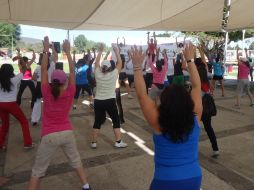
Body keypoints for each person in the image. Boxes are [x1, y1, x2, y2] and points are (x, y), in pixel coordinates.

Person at [131, 43, 202, 190]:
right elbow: (196, 86)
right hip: (194, 177)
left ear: (164, 102)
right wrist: (189, 60)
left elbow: (141, 94)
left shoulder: (157, 121)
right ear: (187, 101)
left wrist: (137, 67)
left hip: (165, 180)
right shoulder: (195, 117)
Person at [28, 37, 90, 190]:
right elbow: (73, 73)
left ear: (52, 81)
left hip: (49, 135)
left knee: (37, 171)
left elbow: (43, 70)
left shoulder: (46, 90)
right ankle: (86, 186)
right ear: (65, 81)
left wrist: (45, 50)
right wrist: (68, 53)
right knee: (76, 161)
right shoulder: (70, 91)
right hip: (67, 133)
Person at [90, 44, 127, 149]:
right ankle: (118, 142)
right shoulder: (114, 74)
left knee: (97, 121)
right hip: (110, 101)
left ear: (102, 67)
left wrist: (100, 51)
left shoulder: (97, 73)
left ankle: (94, 142)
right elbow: (120, 63)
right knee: (115, 120)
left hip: (98, 101)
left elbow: (96, 63)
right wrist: (116, 51)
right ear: (111, 67)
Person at [0, 64, 34, 150]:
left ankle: (0, 144)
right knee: (24, 122)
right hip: (11, 104)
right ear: (11, 71)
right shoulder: (15, 79)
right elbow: (25, 68)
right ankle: (28, 143)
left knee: (5, 124)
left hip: (1, 105)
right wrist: (21, 59)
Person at [197, 45, 219, 157]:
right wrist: (201, 51)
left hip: (197, 108)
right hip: (207, 107)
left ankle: (190, 148)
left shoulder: (196, 79)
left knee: (192, 128)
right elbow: (204, 63)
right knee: (209, 128)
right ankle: (215, 148)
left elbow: (185, 66)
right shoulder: (206, 75)